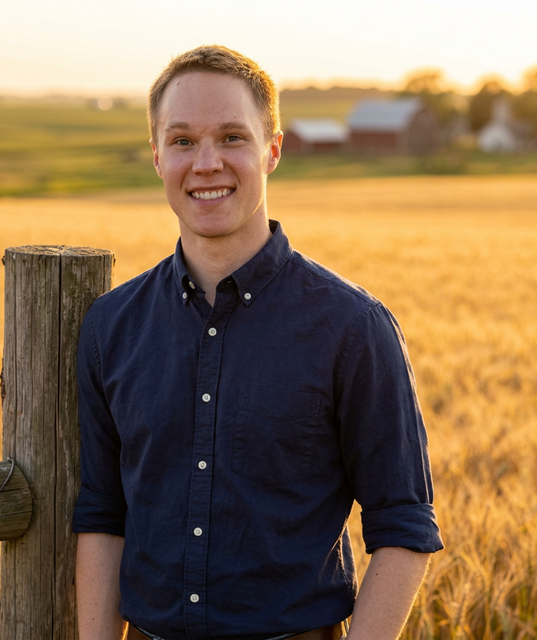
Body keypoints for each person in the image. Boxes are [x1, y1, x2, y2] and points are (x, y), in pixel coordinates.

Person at [72, 45, 443, 640]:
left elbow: (404, 524)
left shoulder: (352, 327)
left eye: (232, 138)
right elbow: (102, 512)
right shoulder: (111, 326)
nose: (207, 162)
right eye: (183, 141)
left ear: (272, 150)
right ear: (157, 156)